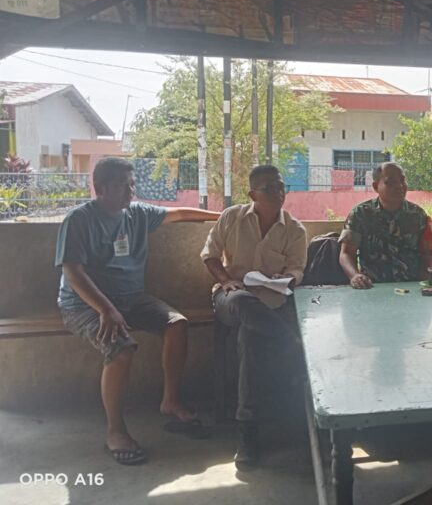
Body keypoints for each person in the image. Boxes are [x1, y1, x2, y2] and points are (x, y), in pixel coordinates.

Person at [55, 157, 220, 466]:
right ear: (100, 188)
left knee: (177, 324)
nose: (130, 192)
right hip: (85, 305)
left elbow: (180, 213)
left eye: (132, 185)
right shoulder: (79, 220)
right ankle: (115, 432)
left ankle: (170, 400)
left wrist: (224, 215)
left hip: (131, 299)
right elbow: (73, 273)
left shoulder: (138, 213)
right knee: (121, 349)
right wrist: (106, 309)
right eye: (122, 186)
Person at [201, 165, 307, 470]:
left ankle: (247, 431)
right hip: (231, 297)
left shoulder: (294, 229)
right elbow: (209, 255)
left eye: (282, 186)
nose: (279, 193)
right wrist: (225, 280)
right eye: (270, 188)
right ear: (252, 194)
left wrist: (285, 279)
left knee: (250, 337)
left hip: (272, 302)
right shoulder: (232, 217)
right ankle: (294, 345)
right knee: (244, 304)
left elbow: (297, 270)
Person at [339, 162, 432, 289]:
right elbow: (346, 253)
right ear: (376, 187)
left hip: (410, 288)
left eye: (402, 180)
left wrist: (421, 286)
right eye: (391, 182)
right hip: (371, 288)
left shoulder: (418, 215)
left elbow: (428, 257)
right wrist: (354, 276)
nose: (399, 186)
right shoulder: (360, 214)